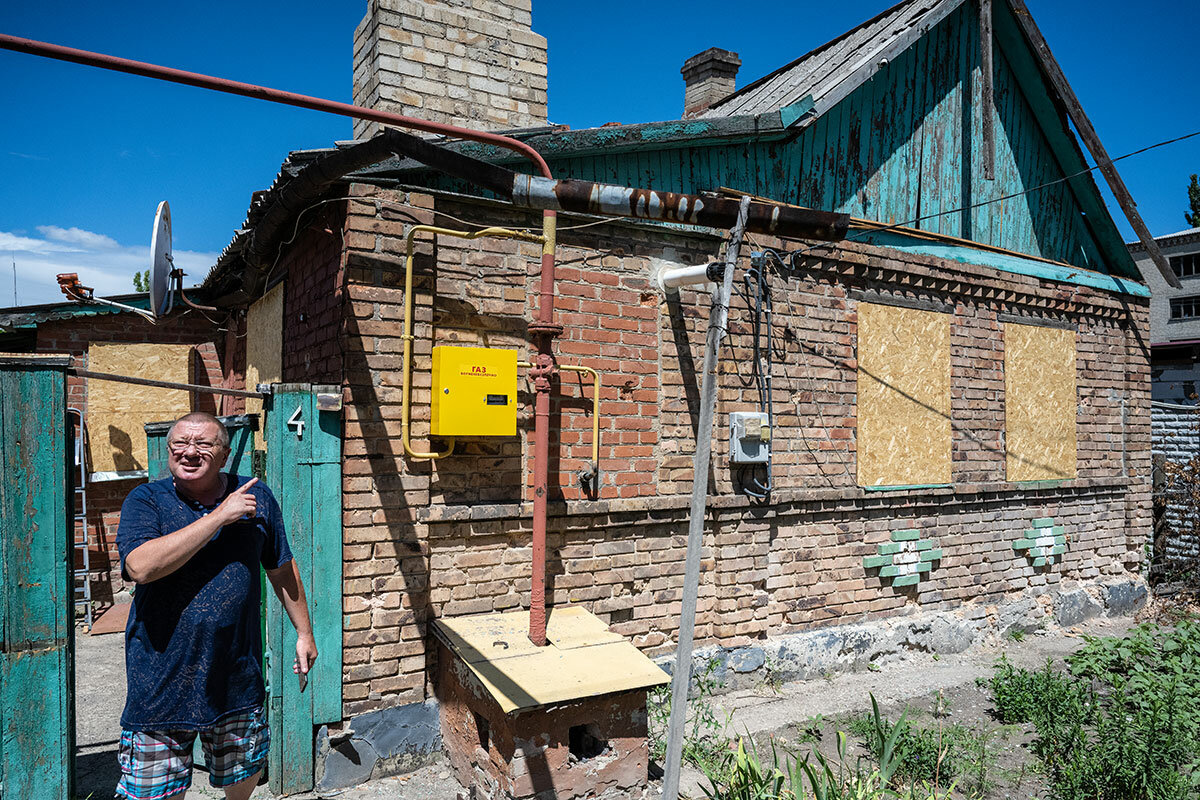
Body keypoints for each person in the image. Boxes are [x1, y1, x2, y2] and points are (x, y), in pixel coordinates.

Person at [115, 411, 318, 800]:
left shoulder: (257, 497)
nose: (190, 452)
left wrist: (304, 633)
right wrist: (219, 516)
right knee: (155, 793)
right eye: (180, 444)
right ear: (169, 451)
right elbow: (140, 566)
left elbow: (281, 568)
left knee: (240, 783)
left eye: (204, 444)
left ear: (224, 455)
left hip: (235, 676)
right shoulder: (147, 500)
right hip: (160, 680)